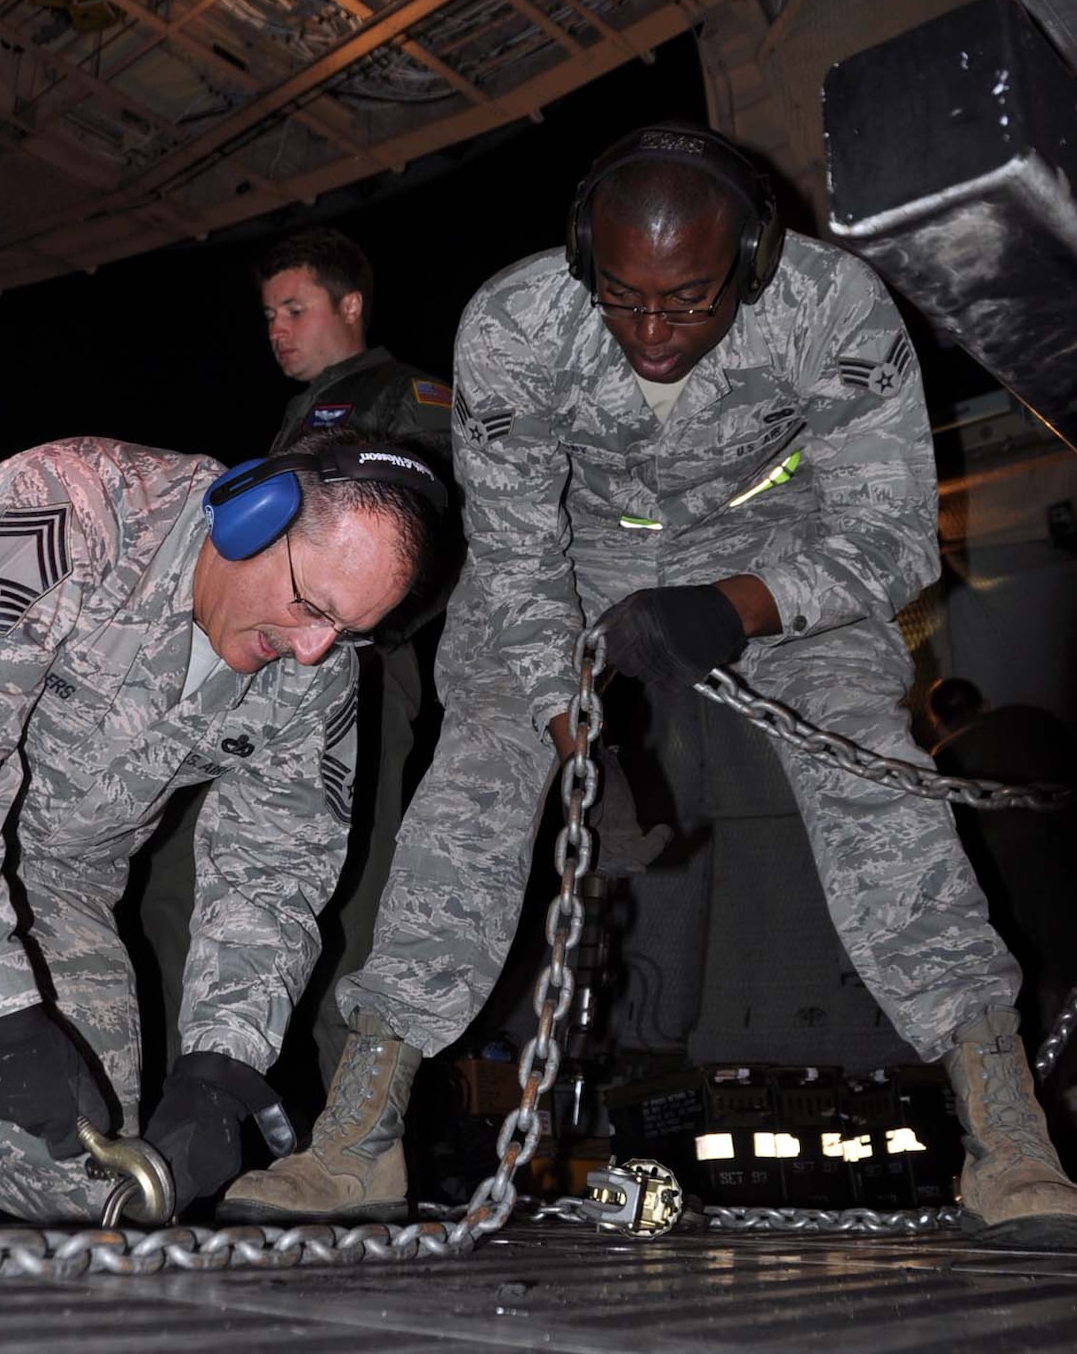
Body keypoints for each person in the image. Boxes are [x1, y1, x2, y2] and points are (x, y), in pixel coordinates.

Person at [226, 122, 1077, 1249]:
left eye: (687, 303)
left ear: (754, 261)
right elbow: (519, 554)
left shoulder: (835, 308)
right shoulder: (518, 325)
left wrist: (736, 605)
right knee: (477, 772)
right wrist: (566, 717)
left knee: (880, 780)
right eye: (624, 300)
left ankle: (1007, 1134)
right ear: (586, 261)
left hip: (777, 552)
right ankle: (360, 1129)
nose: (653, 334)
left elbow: (888, 535)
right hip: (577, 558)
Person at [0, 430, 444, 1233]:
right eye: (312, 607)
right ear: (249, 518)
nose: (316, 648)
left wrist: (220, 1065)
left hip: (50, 872)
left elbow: (273, 873)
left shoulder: (319, 672)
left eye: (349, 631)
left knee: (93, 1183)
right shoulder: (72, 506)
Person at [140, 229, 454, 1156]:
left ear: (350, 306)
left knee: (349, 897)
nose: (277, 330)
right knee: (178, 884)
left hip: (351, 669)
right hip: (263, 674)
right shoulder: (305, 416)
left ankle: (348, 1152)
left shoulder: (405, 400)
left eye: (295, 309)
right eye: (268, 315)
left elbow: (433, 543)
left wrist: (356, 634)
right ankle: (192, 1122)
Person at [928, 676, 1077, 1047]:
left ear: (937, 722)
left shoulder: (938, 762)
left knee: (1029, 978)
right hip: (1060, 857)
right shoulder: (1034, 722)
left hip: (998, 883)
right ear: (986, 704)